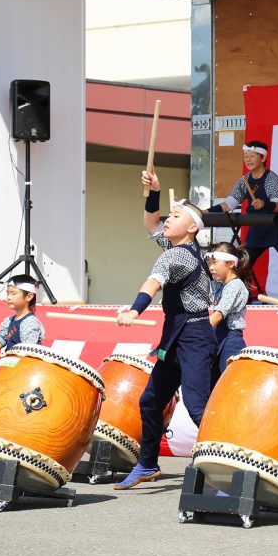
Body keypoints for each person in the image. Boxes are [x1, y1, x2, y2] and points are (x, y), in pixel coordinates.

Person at [113, 169, 215, 490]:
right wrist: (154, 192)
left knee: (198, 407)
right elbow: (150, 224)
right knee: (151, 401)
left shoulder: (179, 257)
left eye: (175, 216)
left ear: (193, 228)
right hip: (175, 334)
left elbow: (152, 284)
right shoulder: (175, 249)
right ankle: (146, 464)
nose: (167, 220)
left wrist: (133, 310)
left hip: (196, 336)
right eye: (169, 215)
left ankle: (229, 469)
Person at [207, 141, 278, 294]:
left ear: (262, 158)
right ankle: (239, 295)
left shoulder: (272, 179)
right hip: (258, 227)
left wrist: (264, 204)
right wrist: (206, 211)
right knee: (243, 261)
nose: (248, 159)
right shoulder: (244, 181)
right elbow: (229, 203)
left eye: (252, 156)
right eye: (246, 156)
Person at [205, 242, 251, 388]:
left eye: (215, 262)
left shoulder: (236, 285)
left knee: (229, 386)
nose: (211, 267)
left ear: (231, 264)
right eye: (209, 263)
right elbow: (201, 296)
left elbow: (218, 315)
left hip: (231, 341)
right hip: (218, 338)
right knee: (213, 387)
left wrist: (198, 333)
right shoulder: (219, 285)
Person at [0, 275, 45, 354]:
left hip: (22, 364)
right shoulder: (9, 321)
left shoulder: (30, 323)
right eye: (8, 293)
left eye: (13, 293)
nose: (8, 297)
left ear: (29, 296)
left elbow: (28, 353)